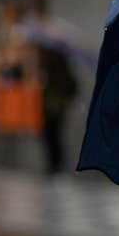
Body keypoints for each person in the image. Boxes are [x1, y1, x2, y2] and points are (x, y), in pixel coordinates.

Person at [36, 43, 77, 175]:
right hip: (55, 106)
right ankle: (56, 166)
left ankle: (55, 166)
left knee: (51, 136)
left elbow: (65, 87)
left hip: (53, 106)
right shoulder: (61, 68)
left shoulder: (55, 68)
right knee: (53, 136)